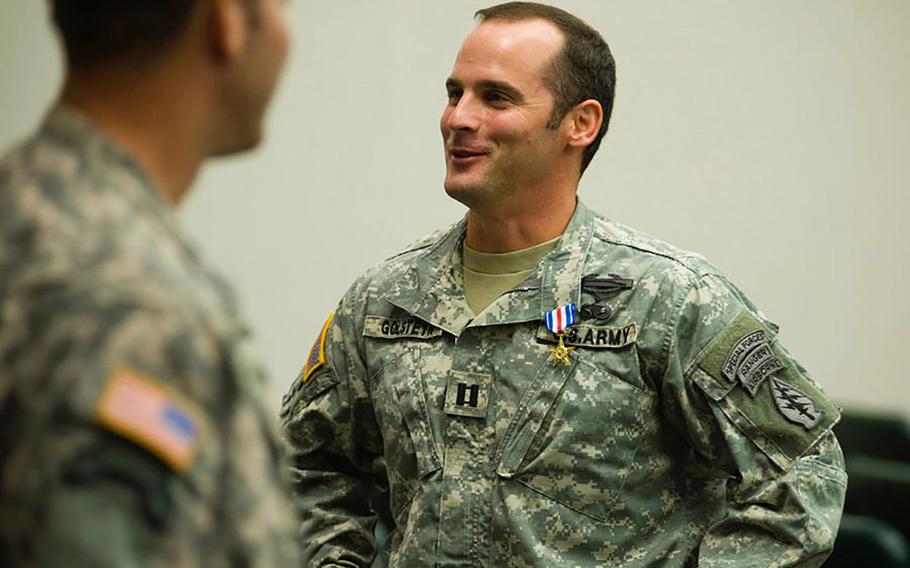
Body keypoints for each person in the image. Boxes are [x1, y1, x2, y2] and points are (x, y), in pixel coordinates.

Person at [281, 2, 847, 566]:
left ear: (581, 123)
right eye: (456, 93)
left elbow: (804, 473)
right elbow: (306, 464)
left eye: (495, 97)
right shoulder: (386, 297)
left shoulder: (666, 297)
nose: (458, 118)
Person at [0, 0, 299, 565]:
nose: (287, 38)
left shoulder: (26, 208)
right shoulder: (128, 301)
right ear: (227, 21)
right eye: (283, 9)